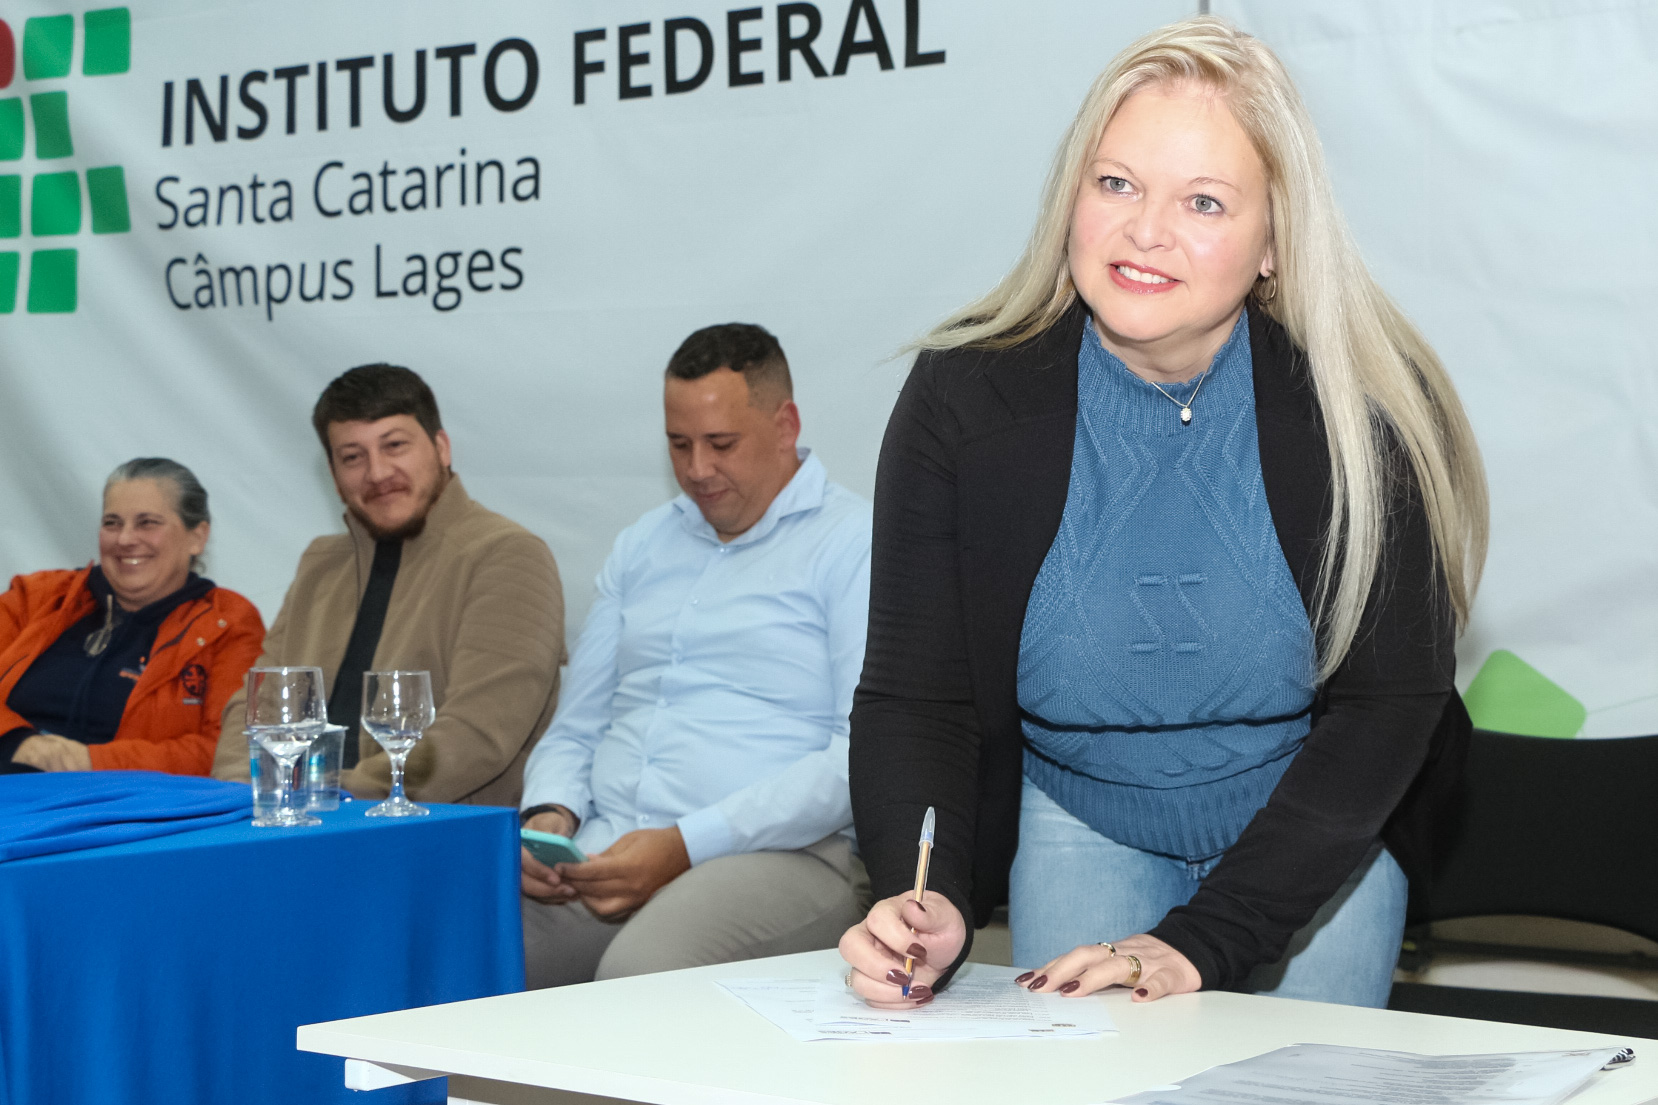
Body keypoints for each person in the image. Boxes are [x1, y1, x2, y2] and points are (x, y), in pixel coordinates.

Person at [841, 16, 1489, 1011]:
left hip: (1314, 829)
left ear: (1274, 241)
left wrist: (1203, 940)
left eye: (1203, 200)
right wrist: (920, 896)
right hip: (1079, 815)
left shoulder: (1367, 404)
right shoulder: (961, 398)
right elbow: (917, 696)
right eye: (1115, 183)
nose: (1145, 230)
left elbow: (1389, 703)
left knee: (1298, 1083)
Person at [518, 323, 871, 987]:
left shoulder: (855, 544)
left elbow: (859, 756)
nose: (697, 469)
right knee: (458, 945)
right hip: (607, 844)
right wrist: (550, 814)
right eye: (679, 445)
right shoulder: (642, 544)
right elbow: (577, 726)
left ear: (786, 425)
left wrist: (683, 844)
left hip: (783, 854)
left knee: (641, 974)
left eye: (721, 444)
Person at [211, 364, 565, 805]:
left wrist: (329, 795)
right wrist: (237, 794)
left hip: (431, 830)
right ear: (333, 475)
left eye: (394, 445)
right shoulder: (320, 565)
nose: (377, 473)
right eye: (353, 457)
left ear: (441, 448)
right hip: (299, 821)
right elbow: (258, 708)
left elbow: (476, 736)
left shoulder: (507, 554)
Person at [0, 458, 265, 775]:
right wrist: (20, 743)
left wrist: (88, 761)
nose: (125, 539)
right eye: (112, 523)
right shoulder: (36, 597)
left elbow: (231, 751)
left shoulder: (229, 623)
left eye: (147, 523)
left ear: (197, 536)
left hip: (130, 801)